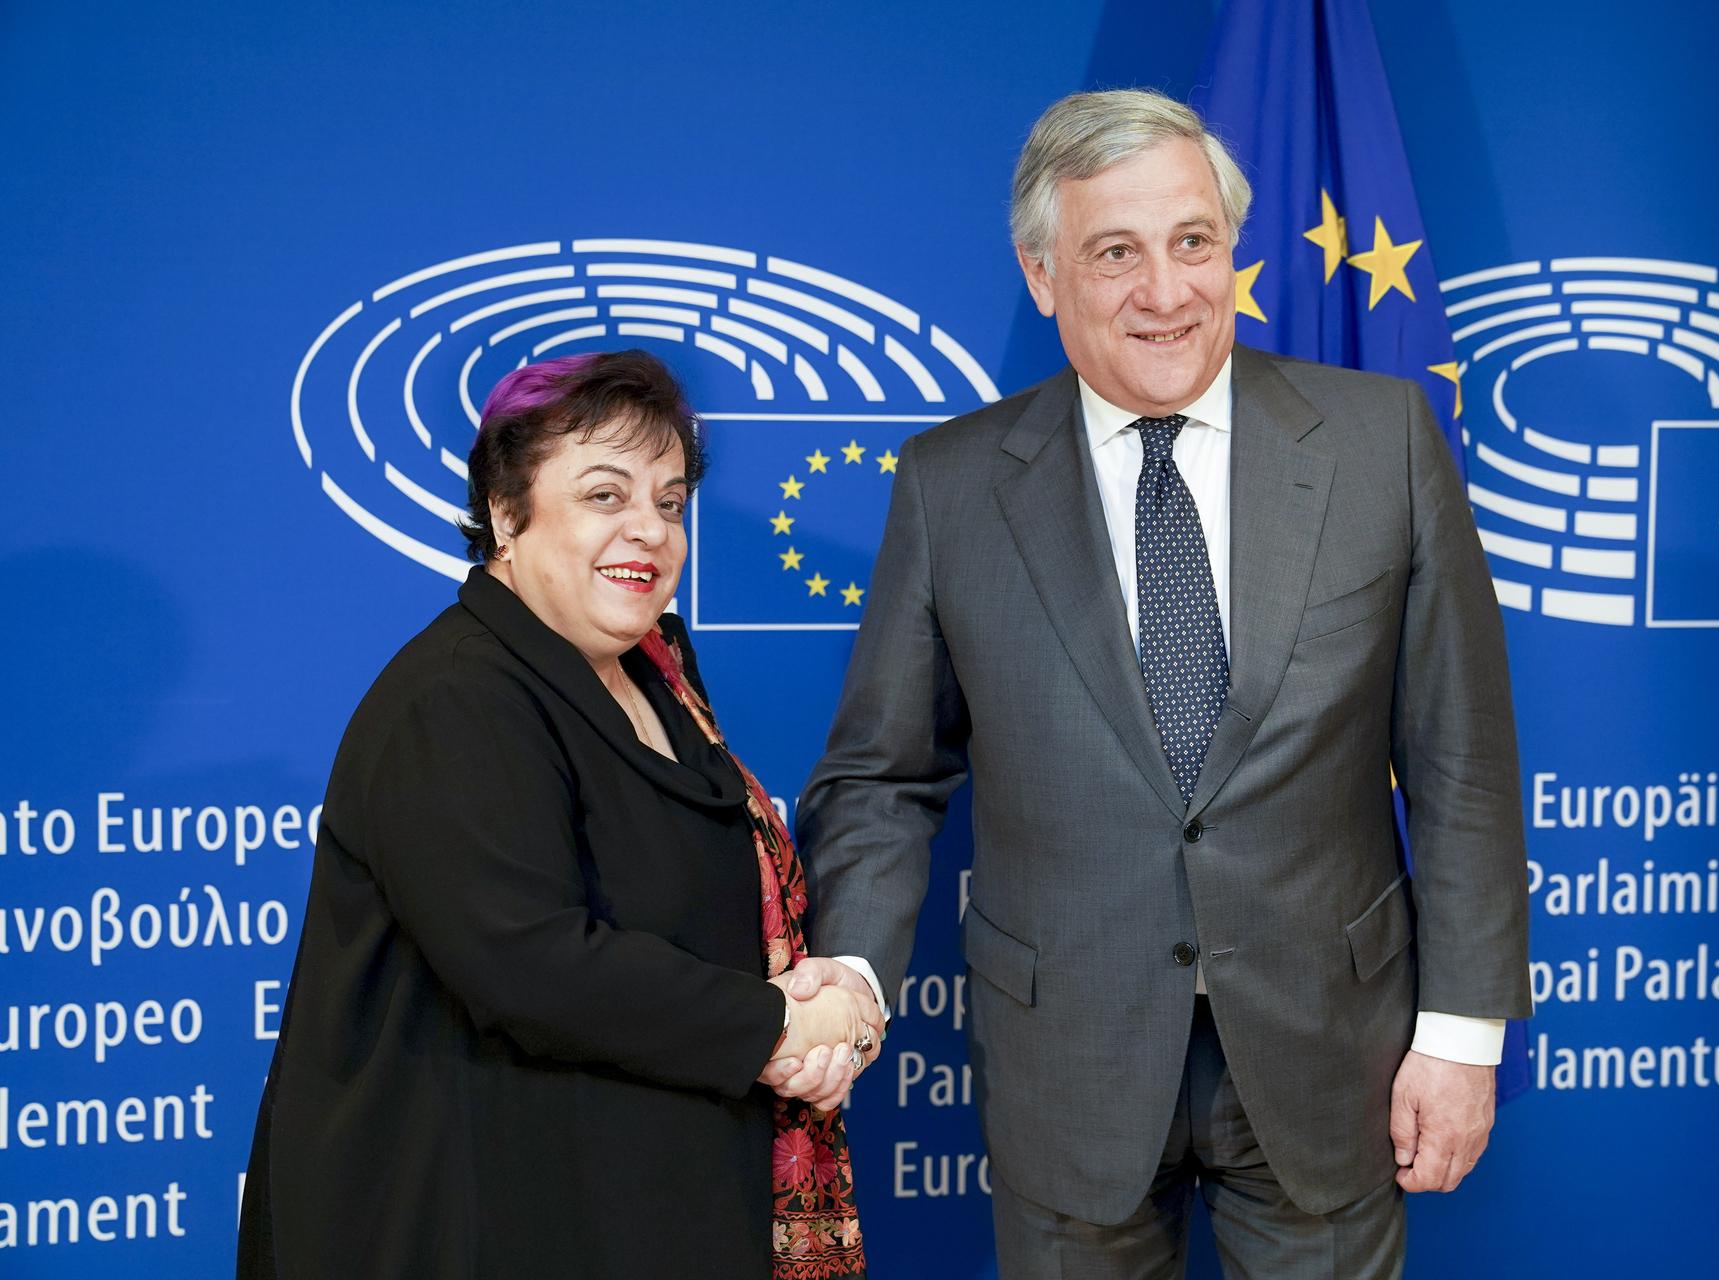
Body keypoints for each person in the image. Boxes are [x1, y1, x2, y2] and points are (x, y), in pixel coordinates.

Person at [791, 90, 1532, 1277]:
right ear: (1042, 274)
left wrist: (1459, 1034)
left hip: (1330, 1048)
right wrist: (857, 977)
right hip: (1067, 1062)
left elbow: (1463, 763)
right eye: (1116, 253)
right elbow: (884, 773)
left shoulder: (1382, 443)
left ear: (1232, 249)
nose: (1168, 291)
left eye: (1194, 243)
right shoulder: (953, 483)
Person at [237, 350, 877, 1280]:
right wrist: (772, 1028)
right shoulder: (457, 697)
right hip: (480, 1215)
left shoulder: (658, 666)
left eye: (668, 502)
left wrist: (818, 1007)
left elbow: (693, 902)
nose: (648, 532)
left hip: (643, 1185)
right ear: (506, 512)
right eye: (606, 496)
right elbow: (531, 963)